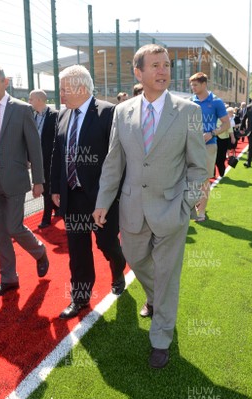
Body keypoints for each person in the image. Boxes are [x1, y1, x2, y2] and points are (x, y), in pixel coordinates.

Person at [93, 44, 207, 368]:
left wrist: (186, 203)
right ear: (138, 72)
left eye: (167, 65)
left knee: (168, 274)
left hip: (172, 209)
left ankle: (161, 339)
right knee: (135, 258)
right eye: (155, 65)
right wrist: (103, 201)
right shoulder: (122, 112)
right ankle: (156, 299)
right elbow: (114, 163)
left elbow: (199, 166)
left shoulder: (189, 112)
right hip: (131, 209)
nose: (162, 71)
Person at [51, 65, 126, 319]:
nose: (60, 94)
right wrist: (55, 187)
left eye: (64, 89)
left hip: (101, 197)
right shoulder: (62, 115)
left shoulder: (108, 113)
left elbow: (117, 159)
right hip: (72, 196)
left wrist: (110, 195)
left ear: (81, 87)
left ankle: (118, 269)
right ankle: (80, 298)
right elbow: (57, 154)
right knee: (78, 251)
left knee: (106, 243)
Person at [0, 65, 49, 298]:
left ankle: (39, 251)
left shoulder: (23, 109)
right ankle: (8, 279)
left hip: (14, 179)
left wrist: (38, 180)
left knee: (13, 226)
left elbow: (35, 148)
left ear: (5, 82)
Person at [189, 72, 230, 221]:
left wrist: (212, 133)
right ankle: (192, 208)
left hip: (209, 145)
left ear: (204, 84)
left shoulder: (216, 102)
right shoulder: (190, 101)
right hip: (191, 146)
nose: (192, 87)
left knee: (204, 179)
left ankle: (201, 212)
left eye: (195, 85)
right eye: (191, 85)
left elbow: (226, 124)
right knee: (191, 179)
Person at [28, 89, 59, 229]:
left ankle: (46, 218)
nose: (29, 102)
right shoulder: (32, 116)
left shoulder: (55, 115)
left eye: (31, 99)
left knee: (46, 187)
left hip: (50, 159)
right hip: (36, 159)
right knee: (44, 186)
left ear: (39, 100)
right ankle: (57, 209)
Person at [215, 107, 237, 178]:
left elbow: (229, 127)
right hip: (214, 137)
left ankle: (221, 169)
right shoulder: (213, 116)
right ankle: (212, 172)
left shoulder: (225, 117)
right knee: (213, 156)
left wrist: (232, 137)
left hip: (224, 139)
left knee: (221, 157)